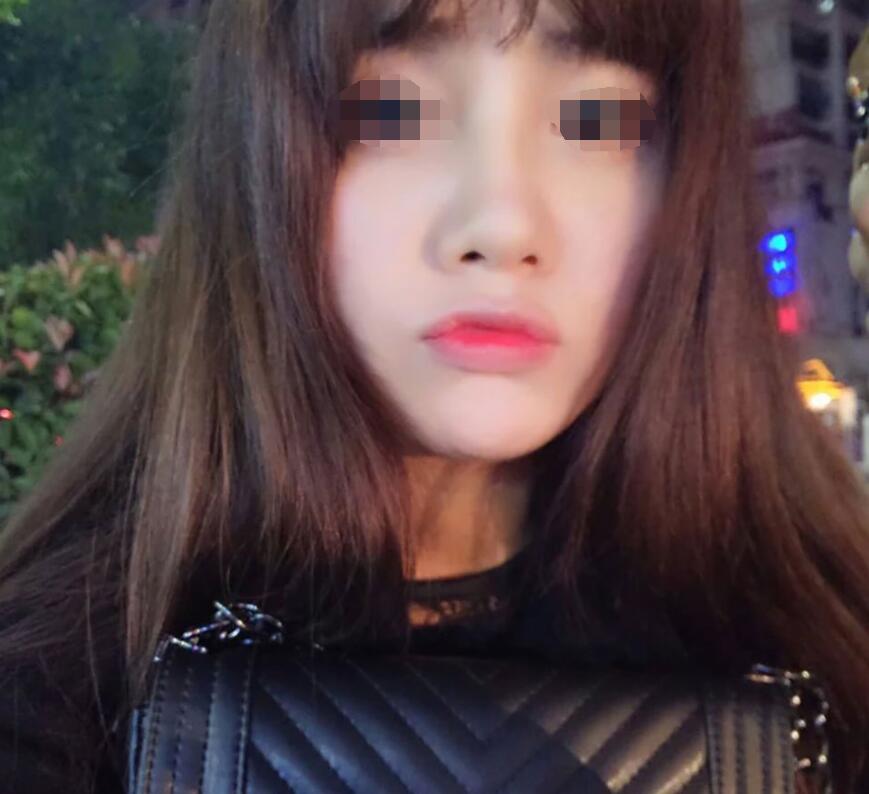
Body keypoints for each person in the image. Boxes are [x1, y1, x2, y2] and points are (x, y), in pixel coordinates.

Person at [1, 0, 868, 792]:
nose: (502, 225)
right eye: (389, 112)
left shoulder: (822, 655)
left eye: (598, 120)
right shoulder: (58, 688)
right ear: (251, 152)